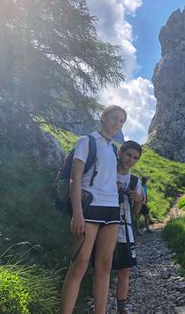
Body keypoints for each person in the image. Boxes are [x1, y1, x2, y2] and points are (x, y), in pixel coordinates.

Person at [60, 105, 127, 314]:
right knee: (79, 265)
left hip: (112, 209)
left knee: (105, 266)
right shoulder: (86, 141)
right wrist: (77, 213)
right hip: (89, 209)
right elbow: (75, 178)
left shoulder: (113, 148)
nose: (117, 123)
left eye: (122, 121)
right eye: (114, 118)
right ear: (104, 117)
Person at [114, 140, 145, 314]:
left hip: (125, 230)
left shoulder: (135, 181)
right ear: (120, 153)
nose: (131, 160)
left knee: (124, 270)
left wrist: (138, 200)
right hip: (104, 227)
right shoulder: (107, 173)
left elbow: (135, 212)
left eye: (135, 158)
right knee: (102, 268)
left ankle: (121, 309)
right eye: (128, 155)